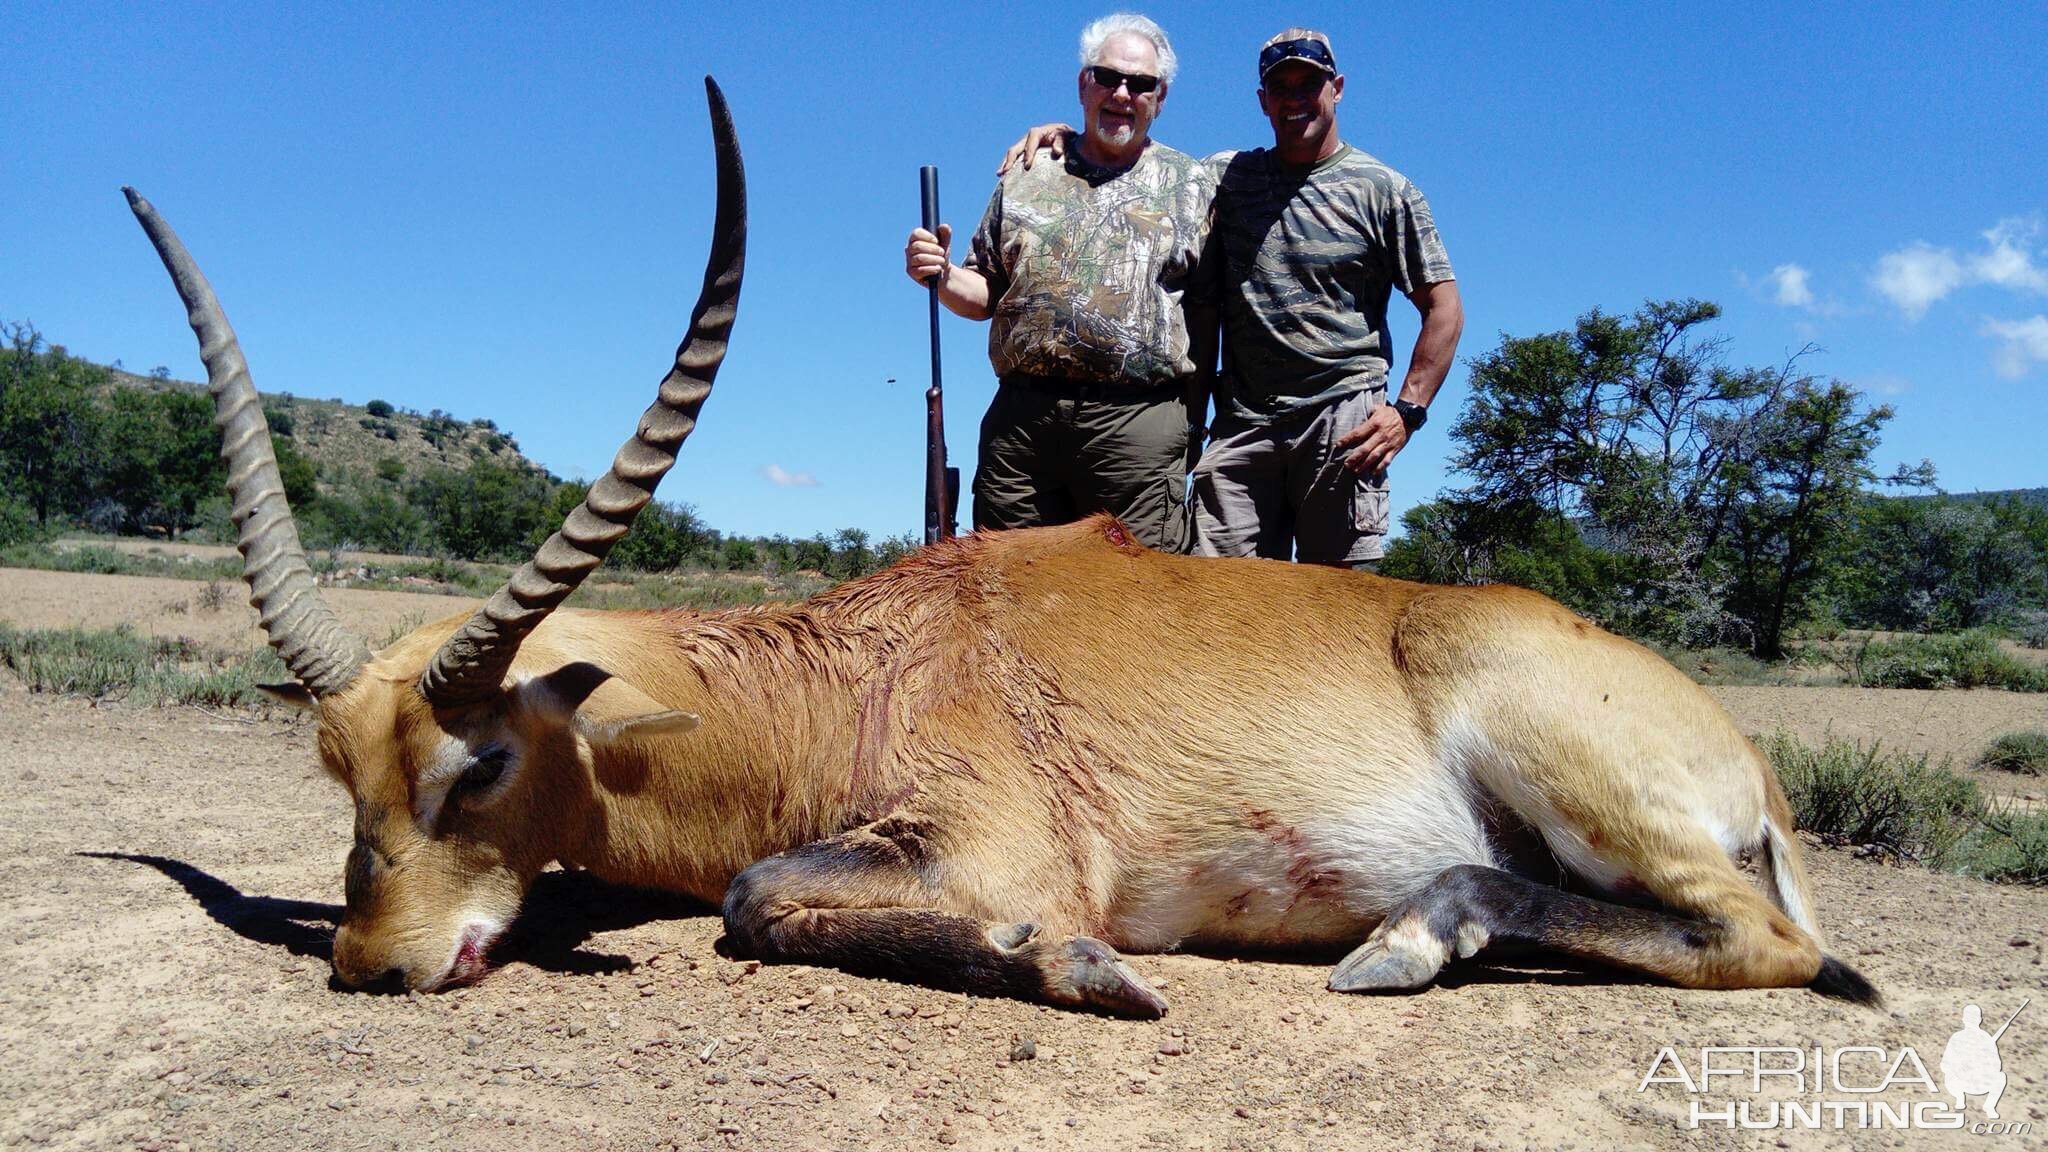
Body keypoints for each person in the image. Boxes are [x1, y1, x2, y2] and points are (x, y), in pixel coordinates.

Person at [1000, 29, 1464, 569]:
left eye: (1308, 85)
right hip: (1242, 424)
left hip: (1342, 422)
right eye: (1280, 86)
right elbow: (1137, 157)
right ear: (1262, 99)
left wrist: (1407, 412)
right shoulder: (1225, 176)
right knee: (1217, 601)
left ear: (1336, 88)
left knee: (1342, 605)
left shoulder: (1383, 189)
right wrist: (1065, 135)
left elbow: (1443, 308)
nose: (1294, 99)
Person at [902, 13, 1215, 552]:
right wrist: (942, 274)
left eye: (1140, 84)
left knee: (1137, 607)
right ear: (1082, 84)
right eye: (1107, 77)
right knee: (1006, 597)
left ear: (1160, 98)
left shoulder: (1198, 184)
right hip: (1023, 424)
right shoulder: (1026, 173)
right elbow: (985, 296)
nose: (1122, 93)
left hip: (1136, 425)